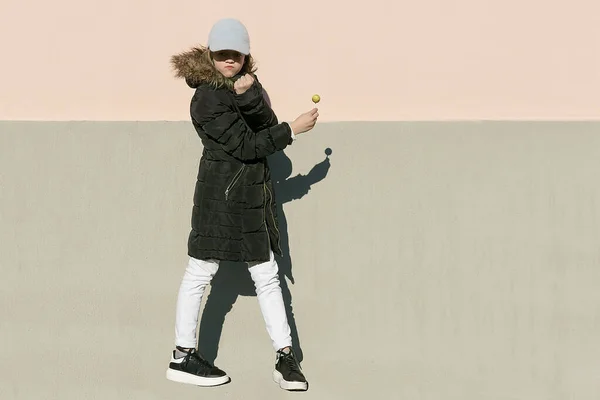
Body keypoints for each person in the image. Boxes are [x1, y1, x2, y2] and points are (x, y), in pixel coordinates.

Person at [167, 18, 318, 391]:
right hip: (218, 199)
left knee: (267, 275)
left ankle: (286, 359)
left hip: (253, 197)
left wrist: (250, 94)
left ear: (245, 55)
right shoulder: (205, 97)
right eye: (222, 54)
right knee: (200, 272)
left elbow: (264, 122)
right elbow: (248, 145)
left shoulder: (244, 84)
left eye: (236, 54)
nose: (229, 60)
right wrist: (293, 130)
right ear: (210, 55)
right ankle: (183, 356)